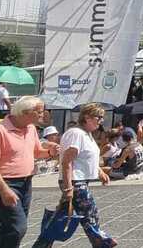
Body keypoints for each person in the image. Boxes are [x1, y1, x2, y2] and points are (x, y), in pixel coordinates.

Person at [33, 103, 116, 248]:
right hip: (75, 181)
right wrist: (68, 187)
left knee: (60, 217)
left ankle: (42, 244)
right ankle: (103, 243)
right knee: (90, 216)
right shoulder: (76, 134)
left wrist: (100, 171)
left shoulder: (86, 134)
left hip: (79, 180)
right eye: (99, 117)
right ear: (87, 117)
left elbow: (85, 158)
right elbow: (67, 162)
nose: (101, 120)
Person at [0, 96, 58, 247]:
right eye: (40, 111)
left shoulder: (31, 129)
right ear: (26, 112)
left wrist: (50, 152)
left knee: (10, 227)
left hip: (26, 183)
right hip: (6, 184)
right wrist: (4, 191)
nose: (43, 114)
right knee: (18, 227)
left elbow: (36, 153)